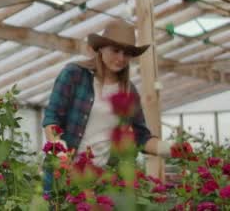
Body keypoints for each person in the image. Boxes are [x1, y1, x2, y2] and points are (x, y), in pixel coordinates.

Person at [42, 20, 175, 191]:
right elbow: (52, 118)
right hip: (63, 175)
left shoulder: (128, 91)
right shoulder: (74, 74)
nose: (121, 58)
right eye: (115, 50)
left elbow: (141, 137)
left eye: (127, 53)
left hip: (100, 182)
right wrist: (60, 151)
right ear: (101, 48)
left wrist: (171, 149)